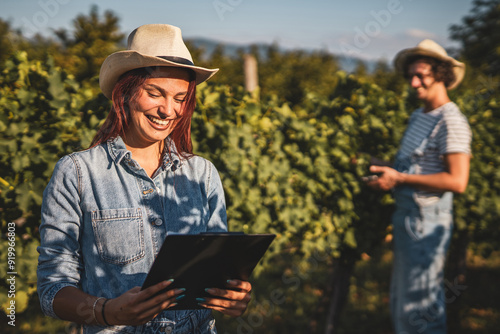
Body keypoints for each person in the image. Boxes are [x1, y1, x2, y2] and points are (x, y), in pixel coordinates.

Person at [37, 24, 251, 334]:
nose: (168, 110)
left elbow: (216, 276)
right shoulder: (77, 173)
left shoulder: (203, 175)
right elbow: (51, 290)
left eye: (179, 98)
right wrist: (108, 312)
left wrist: (232, 297)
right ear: (124, 92)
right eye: (155, 93)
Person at [366, 39, 472, 333]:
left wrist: (399, 178)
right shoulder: (420, 115)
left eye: (421, 75)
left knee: (421, 310)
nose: (414, 82)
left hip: (427, 222)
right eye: (410, 75)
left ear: (441, 74)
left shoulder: (451, 121)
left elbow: (457, 181)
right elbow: (416, 167)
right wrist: (385, 170)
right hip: (408, 217)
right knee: (404, 307)